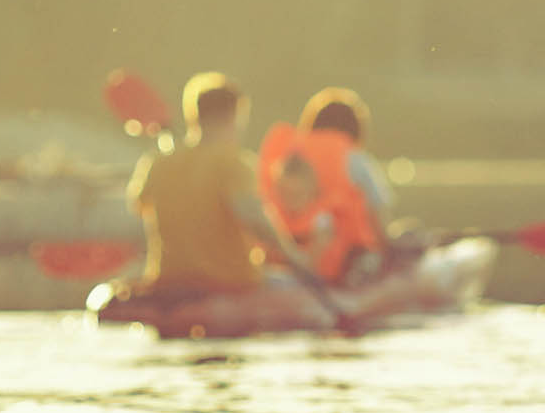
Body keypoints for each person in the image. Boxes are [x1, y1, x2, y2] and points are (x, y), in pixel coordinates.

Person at [125, 72, 311, 299]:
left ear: (193, 114)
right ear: (236, 116)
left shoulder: (158, 163)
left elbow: (138, 207)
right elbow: (255, 221)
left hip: (167, 282)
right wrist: (295, 257)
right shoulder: (233, 163)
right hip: (230, 283)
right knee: (298, 287)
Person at [256, 87, 393, 286]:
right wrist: (390, 252)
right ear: (355, 129)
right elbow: (379, 217)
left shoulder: (286, 156)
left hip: (284, 258)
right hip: (344, 265)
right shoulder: (355, 157)